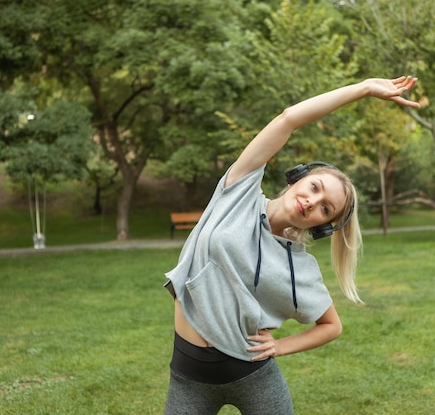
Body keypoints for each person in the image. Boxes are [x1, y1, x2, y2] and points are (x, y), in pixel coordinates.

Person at [163, 76, 420, 415]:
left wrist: (281, 346)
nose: (312, 202)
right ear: (298, 177)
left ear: (323, 225)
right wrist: (364, 89)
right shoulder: (238, 191)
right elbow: (289, 119)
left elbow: (331, 327)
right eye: (314, 187)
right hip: (188, 377)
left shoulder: (299, 268)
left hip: (252, 377)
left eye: (326, 208)